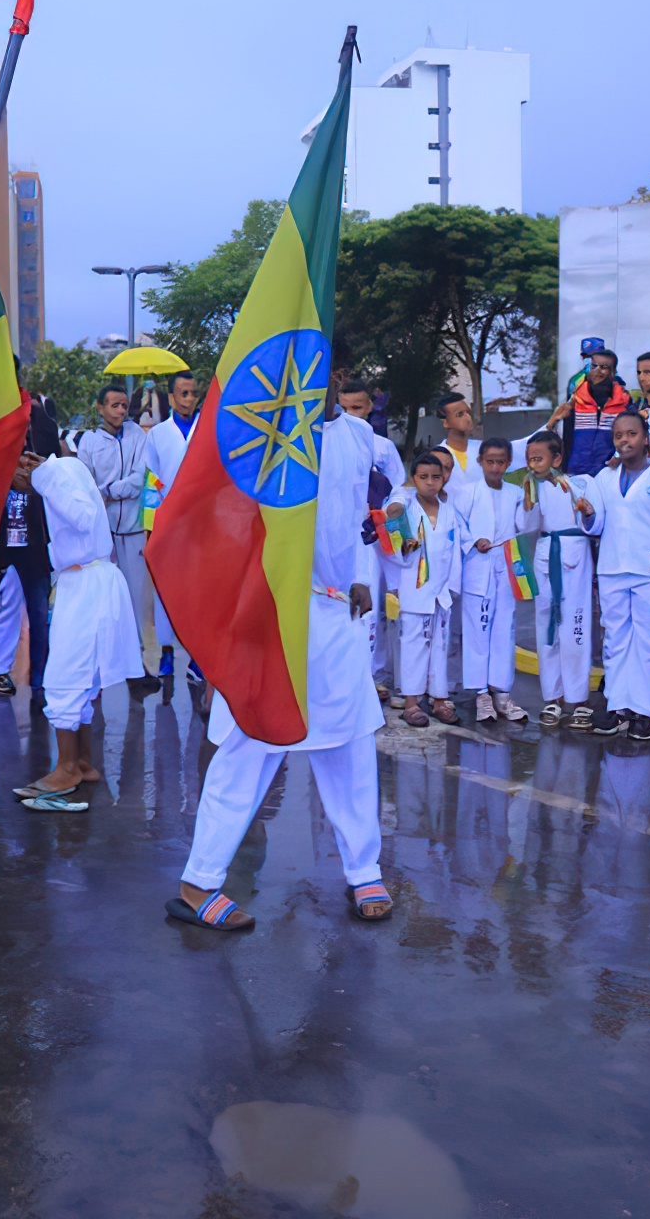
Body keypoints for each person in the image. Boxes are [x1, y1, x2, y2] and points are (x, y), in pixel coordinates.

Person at [168, 389, 390, 931]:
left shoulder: (360, 437)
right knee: (247, 750)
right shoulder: (266, 429)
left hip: (335, 614)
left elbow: (361, 515)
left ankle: (364, 870)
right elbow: (226, 523)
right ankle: (199, 882)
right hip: (269, 616)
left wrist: (357, 574)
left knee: (351, 745)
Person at [8, 452, 142, 812]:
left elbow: (83, 518)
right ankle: (81, 762)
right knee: (81, 678)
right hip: (85, 582)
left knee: (64, 677)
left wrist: (44, 479)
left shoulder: (59, 472)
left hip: (87, 586)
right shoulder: (65, 470)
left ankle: (66, 767)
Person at [577, 411, 650, 742]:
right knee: (615, 640)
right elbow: (596, 526)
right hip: (612, 568)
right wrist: (588, 513)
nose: (625, 441)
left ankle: (643, 711)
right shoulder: (604, 478)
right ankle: (618, 707)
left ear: (645, 438)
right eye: (619, 436)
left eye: (632, 434)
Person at [0, 368, 60, 709]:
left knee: (39, 611)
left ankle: (41, 682)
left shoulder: (40, 417)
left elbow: (54, 467)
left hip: (32, 532)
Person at [72, 381, 158, 687]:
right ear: (100, 407)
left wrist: (109, 491)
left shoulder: (137, 435)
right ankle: (96, 666)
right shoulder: (89, 442)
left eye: (123, 405)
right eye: (114, 405)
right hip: (102, 531)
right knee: (102, 599)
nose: (120, 410)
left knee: (139, 599)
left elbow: (139, 479)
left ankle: (140, 666)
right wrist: (102, 494)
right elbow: (85, 484)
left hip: (133, 528)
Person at [521, 430, 595, 727]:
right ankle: (553, 698)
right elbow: (525, 525)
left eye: (539, 458)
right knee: (546, 626)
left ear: (557, 458)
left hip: (574, 554)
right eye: (529, 459)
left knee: (576, 625)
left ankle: (579, 700)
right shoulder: (530, 488)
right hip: (545, 552)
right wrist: (529, 502)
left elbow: (594, 520)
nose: (534, 464)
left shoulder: (581, 483)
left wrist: (588, 512)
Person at [337, 379, 407, 693]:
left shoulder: (383, 447)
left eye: (358, 407)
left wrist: (388, 520)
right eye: (345, 408)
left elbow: (399, 490)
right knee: (341, 602)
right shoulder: (331, 441)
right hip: (338, 536)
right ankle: (346, 671)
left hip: (373, 536)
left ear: (369, 407)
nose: (352, 413)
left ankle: (374, 674)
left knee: (373, 605)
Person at [457, 437, 531, 723]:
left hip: (507, 562)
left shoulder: (514, 493)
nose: (496, 466)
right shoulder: (467, 492)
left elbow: (524, 525)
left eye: (501, 461)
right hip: (478, 562)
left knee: (504, 628)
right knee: (478, 628)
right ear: (480, 462)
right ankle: (481, 695)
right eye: (490, 461)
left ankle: (501, 692)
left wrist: (528, 502)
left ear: (508, 463)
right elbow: (458, 525)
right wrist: (474, 540)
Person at [392, 450, 462, 728]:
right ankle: (411, 702)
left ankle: (439, 699)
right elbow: (392, 537)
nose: (430, 483)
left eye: (436, 477)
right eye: (423, 477)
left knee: (440, 647)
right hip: (414, 588)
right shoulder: (405, 506)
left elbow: (455, 551)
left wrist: (452, 586)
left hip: (441, 591)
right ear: (413, 479)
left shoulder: (448, 511)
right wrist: (402, 543)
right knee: (413, 646)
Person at [142, 371, 200, 683]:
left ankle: (197, 656)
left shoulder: (208, 429)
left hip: (202, 524)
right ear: (172, 396)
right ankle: (165, 650)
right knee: (167, 588)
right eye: (183, 393)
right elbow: (150, 480)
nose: (189, 399)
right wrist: (152, 528)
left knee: (200, 590)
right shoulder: (158, 435)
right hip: (168, 522)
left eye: (193, 393)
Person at [559, 347, 632, 476]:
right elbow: (565, 436)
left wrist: (618, 456)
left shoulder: (624, 402)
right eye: (594, 366)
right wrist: (563, 468)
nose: (597, 371)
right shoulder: (576, 400)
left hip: (608, 474)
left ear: (613, 372)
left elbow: (631, 436)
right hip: (574, 473)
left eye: (604, 366)